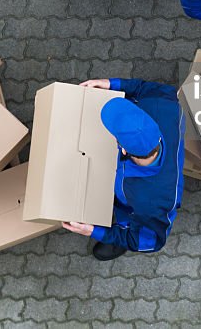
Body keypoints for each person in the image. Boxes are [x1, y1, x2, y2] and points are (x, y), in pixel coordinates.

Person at [62, 77, 185, 260]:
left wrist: (94, 232)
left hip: (133, 206)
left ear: (123, 149)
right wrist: (111, 84)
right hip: (126, 180)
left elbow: (148, 243)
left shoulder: (151, 203)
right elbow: (145, 87)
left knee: (126, 223)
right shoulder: (161, 103)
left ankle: (117, 235)